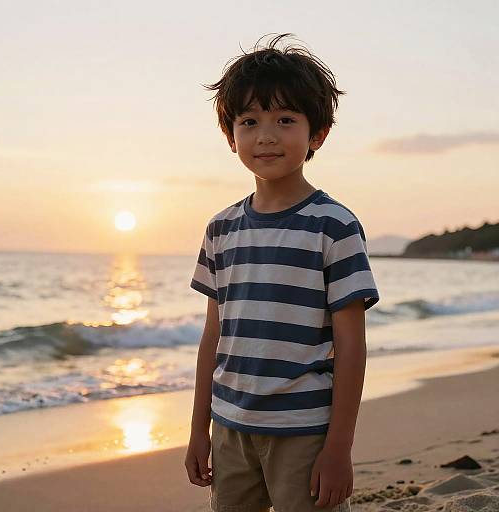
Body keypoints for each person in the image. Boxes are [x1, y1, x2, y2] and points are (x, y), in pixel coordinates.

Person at [185, 32, 380, 512]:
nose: (266, 136)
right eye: (249, 121)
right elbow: (214, 337)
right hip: (229, 426)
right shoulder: (221, 228)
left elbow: (351, 344)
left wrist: (338, 449)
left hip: (304, 431)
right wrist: (197, 430)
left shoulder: (334, 226)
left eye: (285, 120)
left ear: (317, 135)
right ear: (231, 136)